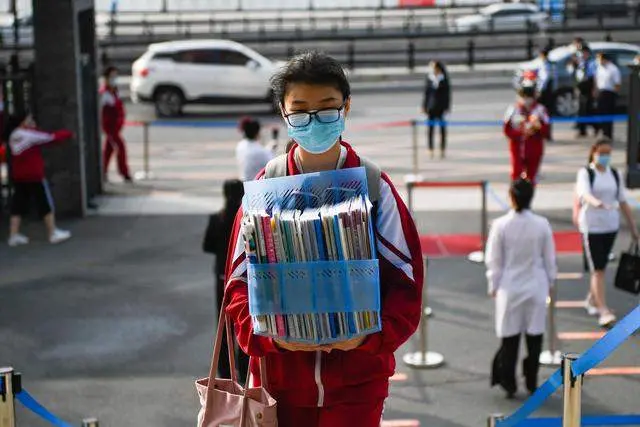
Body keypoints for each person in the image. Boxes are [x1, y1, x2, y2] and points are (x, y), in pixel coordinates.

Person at [223, 51, 423, 427]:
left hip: (357, 386)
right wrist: (270, 339)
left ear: (346, 107)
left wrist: (369, 339)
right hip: (277, 384)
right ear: (283, 113)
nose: (313, 120)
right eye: (300, 110)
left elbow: (407, 283)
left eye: (327, 108)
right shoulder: (265, 189)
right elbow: (237, 284)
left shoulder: (375, 187)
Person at [486, 178, 557, 399]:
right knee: (535, 336)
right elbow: (549, 259)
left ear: (511, 197)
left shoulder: (501, 225)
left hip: (510, 286)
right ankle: (532, 380)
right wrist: (551, 282)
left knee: (510, 338)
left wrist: (493, 284)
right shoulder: (542, 224)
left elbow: (494, 260)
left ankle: (509, 383)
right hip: (536, 284)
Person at [575, 138, 638, 327]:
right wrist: (597, 203)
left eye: (608, 153)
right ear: (593, 152)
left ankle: (592, 299)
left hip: (610, 226)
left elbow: (623, 201)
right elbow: (584, 194)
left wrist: (634, 228)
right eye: (601, 153)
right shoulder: (586, 173)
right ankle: (603, 309)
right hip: (592, 227)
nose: (605, 157)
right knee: (598, 269)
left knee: (600, 266)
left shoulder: (614, 174)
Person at [202, 179, 249, 382]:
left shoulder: (217, 218)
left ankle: (225, 370)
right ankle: (244, 366)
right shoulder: (245, 218)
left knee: (223, 325)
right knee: (245, 321)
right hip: (241, 278)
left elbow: (207, 246)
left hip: (222, 276)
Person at [5, 112, 73, 247]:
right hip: (34, 174)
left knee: (18, 204)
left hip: (20, 175)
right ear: (22, 121)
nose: (32, 121)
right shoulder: (28, 134)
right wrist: (68, 133)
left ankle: (14, 235)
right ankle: (52, 232)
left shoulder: (14, 135)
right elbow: (49, 138)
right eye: (29, 119)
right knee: (44, 202)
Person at [503, 82, 550, 183]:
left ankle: (528, 196)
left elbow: (546, 131)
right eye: (523, 96)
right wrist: (521, 132)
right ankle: (515, 196)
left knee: (531, 178)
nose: (526, 100)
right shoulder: (513, 110)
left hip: (534, 149)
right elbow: (507, 130)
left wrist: (538, 127)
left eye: (529, 97)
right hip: (517, 148)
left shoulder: (541, 110)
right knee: (516, 177)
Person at [101, 66, 132, 183]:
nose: (114, 79)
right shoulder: (104, 94)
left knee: (108, 150)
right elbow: (105, 113)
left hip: (116, 127)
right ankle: (124, 173)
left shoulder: (115, 92)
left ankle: (103, 172)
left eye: (115, 76)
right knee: (120, 147)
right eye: (112, 77)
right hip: (110, 128)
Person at [422, 60, 451, 159]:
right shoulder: (430, 78)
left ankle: (442, 149)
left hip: (441, 107)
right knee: (430, 129)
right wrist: (424, 106)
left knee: (442, 129)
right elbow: (426, 93)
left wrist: (447, 107)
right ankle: (431, 149)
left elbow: (447, 94)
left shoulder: (443, 78)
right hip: (431, 107)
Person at [235, 117, 277, 181]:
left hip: (243, 183)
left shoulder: (240, 145)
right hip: (257, 185)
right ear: (257, 133)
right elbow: (273, 164)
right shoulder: (261, 151)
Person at [571, 46, 597, 138]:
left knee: (589, 109)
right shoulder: (580, 63)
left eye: (585, 53)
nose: (583, 55)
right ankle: (582, 130)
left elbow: (594, 77)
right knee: (581, 110)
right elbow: (577, 75)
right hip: (581, 87)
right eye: (582, 53)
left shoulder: (591, 63)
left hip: (588, 88)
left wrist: (594, 89)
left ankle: (596, 127)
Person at [594, 53, 621, 140]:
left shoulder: (613, 69)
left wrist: (614, 94)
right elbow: (597, 80)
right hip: (601, 93)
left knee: (608, 114)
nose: (599, 61)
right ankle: (603, 132)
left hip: (609, 93)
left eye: (600, 59)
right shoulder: (599, 68)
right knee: (600, 113)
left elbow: (617, 84)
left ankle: (608, 134)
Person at [535, 47, 554, 141]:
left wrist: (539, 91)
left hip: (544, 93)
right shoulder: (549, 64)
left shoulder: (545, 65)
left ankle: (546, 133)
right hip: (549, 91)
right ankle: (546, 133)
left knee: (543, 113)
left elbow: (544, 79)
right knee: (546, 113)